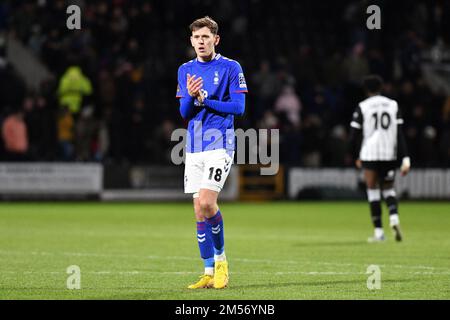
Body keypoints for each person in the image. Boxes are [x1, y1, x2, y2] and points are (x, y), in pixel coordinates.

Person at [175, 16, 247, 289]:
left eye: (205, 37)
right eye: (196, 37)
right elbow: (185, 113)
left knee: (207, 203)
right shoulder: (185, 70)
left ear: (216, 39)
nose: (200, 42)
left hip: (220, 143)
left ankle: (221, 262)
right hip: (193, 146)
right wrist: (193, 99)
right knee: (198, 210)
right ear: (191, 41)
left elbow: (238, 108)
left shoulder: (231, 67)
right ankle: (207, 272)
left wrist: (206, 100)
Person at [349, 75, 410, 243]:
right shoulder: (393, 105)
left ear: (365, 89)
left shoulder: (363, 106)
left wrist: (354, 155)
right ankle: (394, 218)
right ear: (381, 87)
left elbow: (353, 135)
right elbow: (399, 133)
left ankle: (379, 233)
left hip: (369, 153)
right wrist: (405, 157)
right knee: (389, 189)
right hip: (389, 153)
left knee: (373, 190)